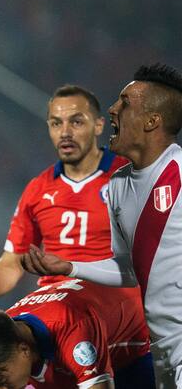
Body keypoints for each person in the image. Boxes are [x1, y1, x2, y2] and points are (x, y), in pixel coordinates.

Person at [22, 63, 182, 388]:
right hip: (162, 351)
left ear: (153, 121)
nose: (112, 108)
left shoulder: (179, 174)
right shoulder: (117, 186)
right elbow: (129, 269)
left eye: (125, 102)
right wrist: (69, 266)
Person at [0, 85, 137, 308]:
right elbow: (12, 261)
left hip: (116, 303)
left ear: (98, 125)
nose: (65, 132)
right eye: (56, 123)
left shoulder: (130, 177)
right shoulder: (38, 188)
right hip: (55, 302)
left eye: (76, 122)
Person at [0, 279, 154, 389]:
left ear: (24, 350)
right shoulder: (1, 346)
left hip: (140, 341)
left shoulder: (72, 328)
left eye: (1, 382)